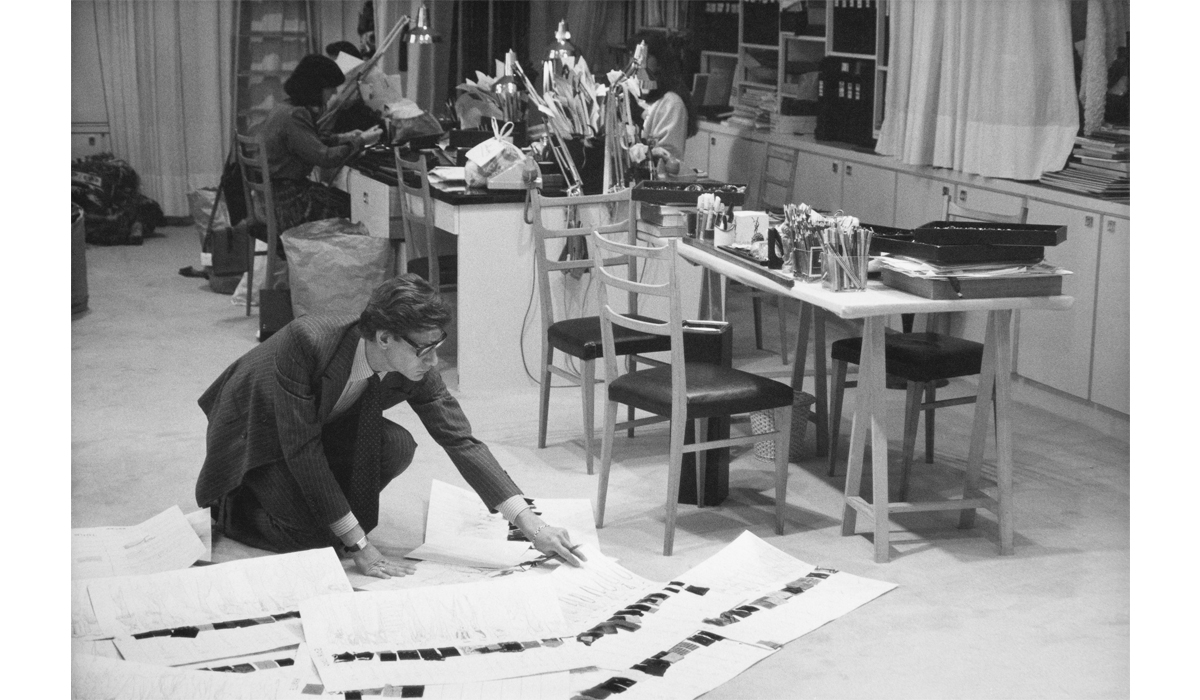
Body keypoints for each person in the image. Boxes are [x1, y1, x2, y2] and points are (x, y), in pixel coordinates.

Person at [195, 275, 586, 577]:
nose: (433, 361)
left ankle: (325, 512)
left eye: (438, 347)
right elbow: (302, 449)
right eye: (424, 349)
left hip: (322, 424)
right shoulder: (307, 342)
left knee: (396, 445)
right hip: (258, 433)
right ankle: (236, 507)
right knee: (317, 539)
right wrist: (357, 544)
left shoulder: (413, 364)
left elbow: (460, 439)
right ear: (384, 338)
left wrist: (532, 524)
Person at [257, 53, 382, 235]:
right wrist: (360, 141)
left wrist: (344, 137)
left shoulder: (283, 109)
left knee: (345, 200)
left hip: (272, 200)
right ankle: (348, 260)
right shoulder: (295, 116)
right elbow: (325, 158)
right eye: (330, 88)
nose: (334, 93)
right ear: (316, 88)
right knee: (357, 206)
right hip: (288, 205)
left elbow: (307, 142)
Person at [630, 32, 699, 178]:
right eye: (634, 56)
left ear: (660, 62)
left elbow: (666, 160)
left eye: (645, 57)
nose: (636, 63)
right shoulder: (635, 95)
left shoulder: (671, 103)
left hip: (656, 183)